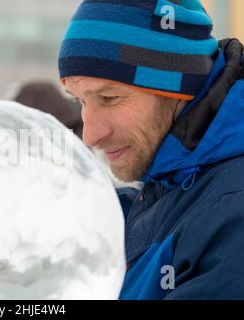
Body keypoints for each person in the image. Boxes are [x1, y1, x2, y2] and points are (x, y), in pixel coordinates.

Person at [58, 0, 244, 299]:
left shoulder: (231, 216)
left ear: (178, 90)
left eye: (109, 98)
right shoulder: (166, 188)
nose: (90, 135)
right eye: (79, 101)